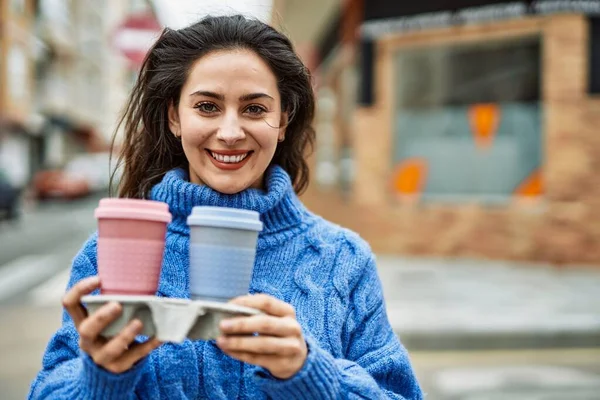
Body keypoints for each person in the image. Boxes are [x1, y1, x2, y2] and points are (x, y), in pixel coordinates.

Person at [28, 15, 423, 399]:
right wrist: (100, 379)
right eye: (206, 106)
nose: (230, 133)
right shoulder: (109, 254)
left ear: (283, 120)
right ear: (174, 116)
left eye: (254, 109)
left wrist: (308, 372)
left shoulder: (343, 260)